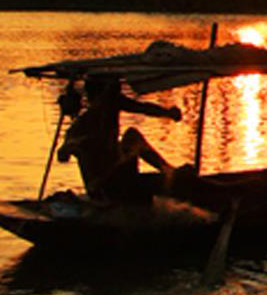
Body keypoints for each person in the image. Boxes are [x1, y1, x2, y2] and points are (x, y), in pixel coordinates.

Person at [56, 75, 185, 204]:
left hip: (121, 177)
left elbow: (142, 108)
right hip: (103, 188)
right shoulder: (81, 126)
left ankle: (169, 171)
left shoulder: (113, 105)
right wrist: (74, 145)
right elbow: (62, 155)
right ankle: (169, 173)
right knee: (131, 141)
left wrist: (168, 113)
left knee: (132, 136)